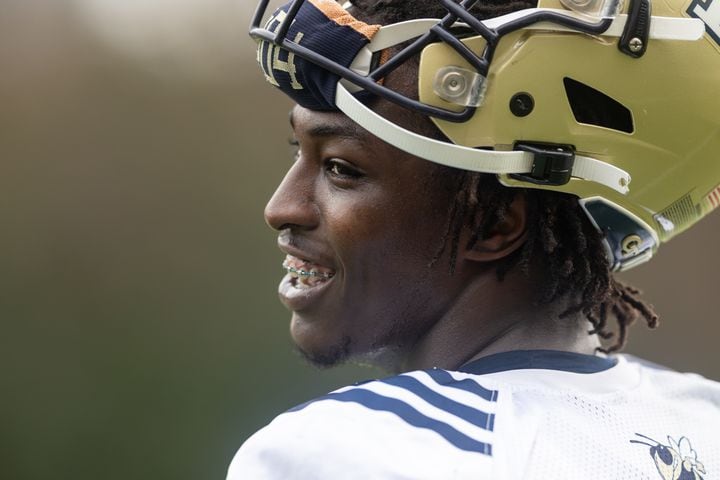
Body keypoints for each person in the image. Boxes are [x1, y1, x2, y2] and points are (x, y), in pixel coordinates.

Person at [228, 0, 720, 478]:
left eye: (341, 168)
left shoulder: (354, 451)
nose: (281, 208)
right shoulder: (706, 418)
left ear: (496, 223)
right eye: (300, 150)